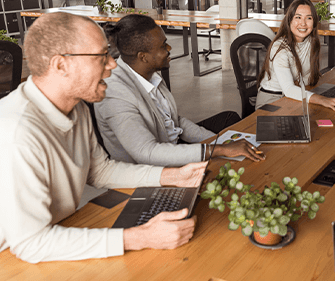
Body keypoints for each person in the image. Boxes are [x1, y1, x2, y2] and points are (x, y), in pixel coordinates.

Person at [0, 12, 207, 263]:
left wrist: (172, 176)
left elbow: (100, 171)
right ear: (61, 65)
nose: (113, 64)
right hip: (4, 264)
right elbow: (31, 244)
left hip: (55, 242)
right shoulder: (14, 135)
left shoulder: (76, 107)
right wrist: (139, 237)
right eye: (101, 56)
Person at [95, 14, 264, 167]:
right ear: (143, 56)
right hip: (154, 166)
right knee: (225, 160)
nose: (169, 48)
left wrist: (219, 142)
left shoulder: (148, 75)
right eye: (163, 46)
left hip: (171, 142)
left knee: (230, 119)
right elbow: (147, 153)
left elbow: (175, 121)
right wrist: (217, 149)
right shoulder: (115, 93)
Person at [255, 0, 335, 112]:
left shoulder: (311, 42)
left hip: (292, 97)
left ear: (314, 22)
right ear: (289, 21)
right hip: (271, 100)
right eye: (298, 17)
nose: (303, 23)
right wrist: (322, 99)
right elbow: (289, 89)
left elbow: (308, 79)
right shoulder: (280, 47)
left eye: (308, 18)